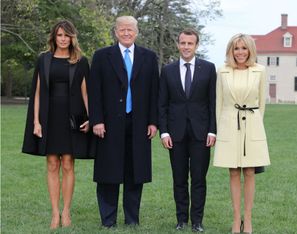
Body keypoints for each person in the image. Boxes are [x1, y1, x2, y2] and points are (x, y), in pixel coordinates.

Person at [88, 15, 159, 228]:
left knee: (134, 172)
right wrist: (97, 120)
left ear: (137, 32)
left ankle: (131, 219)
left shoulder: (148, 57)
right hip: (108, 125)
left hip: (139, 124)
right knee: (108, 172)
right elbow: (94, 91)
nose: (126, 33)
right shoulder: (102, 56)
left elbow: (154, 92)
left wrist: (153, 122)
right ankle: (108, 220)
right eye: (122, 29)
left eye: (130, 29)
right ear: (115, 32)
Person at [22, 20, 92, 229]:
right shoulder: (43, 60)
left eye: (66, 35)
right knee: (52, 163)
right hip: (49, 117)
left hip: (72, 117)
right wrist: (36, 121)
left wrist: (91, 117)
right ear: (54, 37)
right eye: (59, 35)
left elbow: (85, 92)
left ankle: (66, 212)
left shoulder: (80, 61)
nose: (63, 39)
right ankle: (54, 213)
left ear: (72, 38)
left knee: (69, 163)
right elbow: (37, 92)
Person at [158, 28, 216, 232]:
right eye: (183, 43)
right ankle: (181, 219)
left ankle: (197, 221)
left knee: (199, 179)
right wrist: (163, 132)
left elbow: (212, 103)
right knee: (179, 179)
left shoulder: (209, 69)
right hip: (176, 134)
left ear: (196, 45)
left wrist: (212, 130)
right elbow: (162, 104)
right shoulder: (167, 70)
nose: (186, 47)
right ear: (178, 44)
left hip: (201, 134)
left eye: (190, 43)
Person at [213, 33, 271, 234]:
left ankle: (248, 219)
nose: (240, 52)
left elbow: (262, 104)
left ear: (250, 50)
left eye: (244, 48)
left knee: (249, 172)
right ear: (231, 50)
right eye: (236, 48)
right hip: (229, 126)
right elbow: (219, 104)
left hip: (252, 125)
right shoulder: (222, 71)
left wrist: (253, 124)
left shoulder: (260, 71)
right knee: (234, 172)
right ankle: (236, 219)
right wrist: (221, 130)